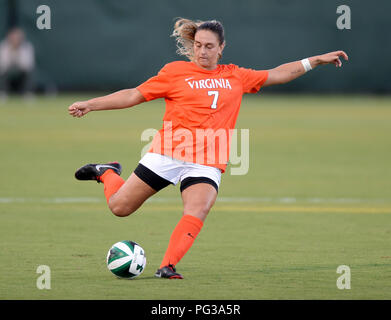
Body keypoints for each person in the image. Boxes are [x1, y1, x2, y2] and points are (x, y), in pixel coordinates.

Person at [68, 18, 348, 279]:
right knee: (119, 207)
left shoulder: (236, 76)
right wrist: (91, 104)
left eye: (209, 46)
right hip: (167, 154)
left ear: (221, 48)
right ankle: (106, 172)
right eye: (198, 45)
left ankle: (167, 266)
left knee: (198, 207)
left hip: (206, 162)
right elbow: (133, 95)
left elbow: (278, 74)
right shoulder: (174, 72)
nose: (202, 52)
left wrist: (317, 60)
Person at [0, 28, 35, 98]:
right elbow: (3, 65)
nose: (15, 40)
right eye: (14, 38)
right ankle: (3, 92)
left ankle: (27, 93)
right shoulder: (3, 46)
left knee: (28, 73)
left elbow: (28, 65)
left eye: (18, 38)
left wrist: (17, 55)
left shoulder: (27, 47)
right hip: (7, 72)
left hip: (21, 73)